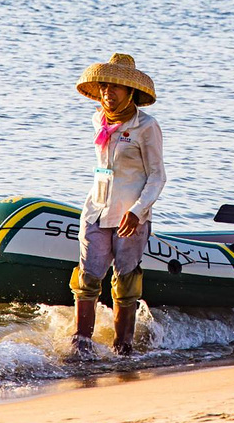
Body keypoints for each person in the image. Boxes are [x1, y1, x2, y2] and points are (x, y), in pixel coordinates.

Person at [70, 53, 165, 356]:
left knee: (125, 283)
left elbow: (157, 177)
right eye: (105, 87)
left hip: (129, 216)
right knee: (86, 279)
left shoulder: (146, 127)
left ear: (130, 92)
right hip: (96, 210)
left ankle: (123, 348)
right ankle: (81, 345)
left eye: (116, 88)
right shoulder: (98, 120)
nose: (108, 94)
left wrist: (138, 212)